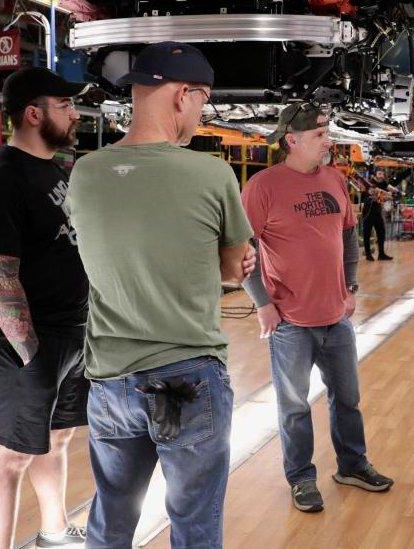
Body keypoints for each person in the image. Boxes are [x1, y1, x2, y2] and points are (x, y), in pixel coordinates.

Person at [65, 42, 256, 548]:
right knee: (193, 524)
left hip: (109, 382)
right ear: (182, 96)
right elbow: (235, 269)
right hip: (187, 377)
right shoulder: (211, 173)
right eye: (202, 100)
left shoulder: (85, 173)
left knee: (110, 519)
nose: (200, 111)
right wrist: (225, 264)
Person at [241, 102, 394, 513]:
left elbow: (347, 235)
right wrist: (262, 304)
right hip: (290, 321)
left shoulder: (335, 180)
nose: (328, 141)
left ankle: (352, 464)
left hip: (336, 318)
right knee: (294, 407)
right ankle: (301, 479)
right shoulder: (263, 187)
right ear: (293, 140)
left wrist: (351, 286)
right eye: (320, 135)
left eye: (327, 132)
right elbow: (242, 250)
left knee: (348, 399)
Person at [0, 67, 91, 549]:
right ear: (34, 114)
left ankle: (55, 532)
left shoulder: (53, 171)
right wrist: (29, 353)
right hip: (27, 341)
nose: (75, 113)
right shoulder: (0, 177)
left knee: (57, 439)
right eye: (65, 106)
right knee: (11, 454)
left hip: (70, 334)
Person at [362, 170, 393, 261]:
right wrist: (384, 195)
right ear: (375, 175)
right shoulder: (369, 183)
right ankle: (368, 254)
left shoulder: (384, 184)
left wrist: (387, 196)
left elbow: (386, 196)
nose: (381, 176)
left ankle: (381, 254)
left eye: (383, 174)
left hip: (377, 211)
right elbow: (374, 194)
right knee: (366, 233)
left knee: (381, 232)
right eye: (379, 173)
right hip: (368, 211)